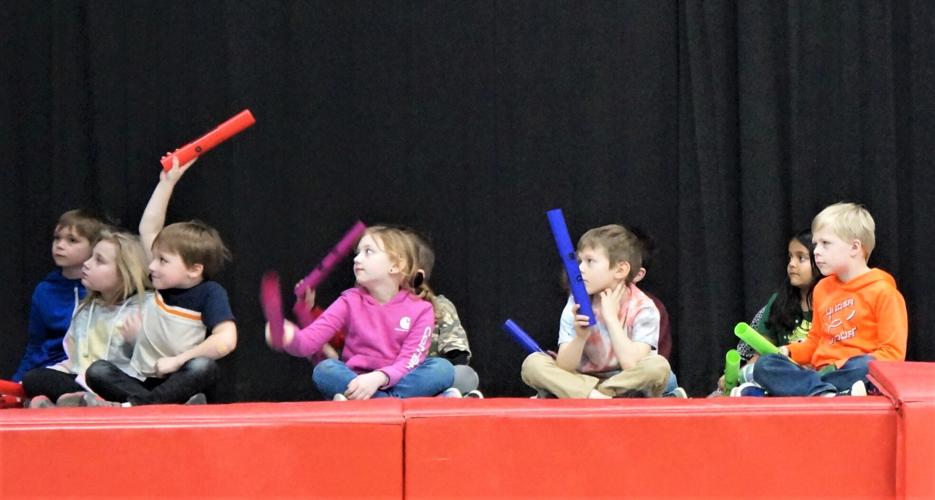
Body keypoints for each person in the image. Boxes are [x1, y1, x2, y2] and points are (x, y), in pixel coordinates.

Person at [84, 157, 237, 406]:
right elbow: (149, 228)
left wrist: (178, 361)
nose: (152, 266)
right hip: (147, 380)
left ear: (194, 269)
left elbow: (226, 340)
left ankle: (141, 405)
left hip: (181, 378)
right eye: (153, 258)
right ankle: (152, 404)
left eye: (163, 261)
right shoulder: (160, 286)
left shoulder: (210, 293)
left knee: (204, 367)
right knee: (98, 371)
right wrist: (167, 182)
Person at [269, 225, 454, 400]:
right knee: (325, 370)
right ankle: (393, 403)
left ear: (396, 266)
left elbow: (409, 361)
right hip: (356, 380)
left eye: (368, 252)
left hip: (400, 379)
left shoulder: (421, 309)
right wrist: (289, 338)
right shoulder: (349, 300)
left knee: (442, 369)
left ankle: (374, 403)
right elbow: (307, 343)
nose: (357, 259)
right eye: (358, 253)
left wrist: (378, 378)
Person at [753, 203, 908, 396]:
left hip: (852, 370)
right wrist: (788, 352)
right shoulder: (822, 289)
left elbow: (892, 355)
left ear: (854, 247)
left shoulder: (884, 292)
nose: (816, 251)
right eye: (816, 244)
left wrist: (838, 366)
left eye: (825, 243)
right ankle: (825, 391)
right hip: (819, 372)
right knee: (765, 364)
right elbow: (814, 342)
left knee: (866, 366)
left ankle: (818, 388)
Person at [521, 224, 671, 398]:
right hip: (581, 377)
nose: (580, 268)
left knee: (658, 367)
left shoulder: (643, 306)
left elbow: (632, 364)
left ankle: (593, 394)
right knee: (533, 364)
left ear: (621, 270)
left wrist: (611, 319)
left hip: (624, 379)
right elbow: (565, 366)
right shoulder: (575, 303)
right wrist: (580, 337)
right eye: (580, 261)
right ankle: (596, 396)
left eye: (590, 262)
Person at [21, 229, 150, 407]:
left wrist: (138, 340)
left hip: (117, 382)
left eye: (99, 260)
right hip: (84, 381)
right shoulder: (84, 309)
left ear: (124, 272)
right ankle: (80, 401)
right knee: (34, 378)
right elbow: (74, 362)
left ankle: (71, 402)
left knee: (98, 372)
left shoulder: (146, 307)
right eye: (90, 257)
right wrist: (49, 373)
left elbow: (155, 364)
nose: (87, 264)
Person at [12, 209, 104, 381]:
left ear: (94, 246)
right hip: (48, 370)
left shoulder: (102, 289)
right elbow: (36, 344)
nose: (60, 245)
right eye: (57, 238)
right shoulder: (44, 290)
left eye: (72, 240)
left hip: (86, 370)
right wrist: (17, 381)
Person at [724, 230, 819, 396]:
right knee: (763, 368)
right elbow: (762, 352)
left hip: (818, 375)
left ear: (821, 261)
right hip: (780, 376)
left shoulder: (832, 302)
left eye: (801, 258)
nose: (792, 264)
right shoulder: (779, 301)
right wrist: (738, 376)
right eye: (790, 257)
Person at [407, 228, 481, 398]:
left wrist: (438, 374)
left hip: (428, 376)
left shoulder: (439, 306)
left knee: (465, 375)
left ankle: (445, 396)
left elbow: (458, 354)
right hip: (387, 377)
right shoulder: (369, 304)